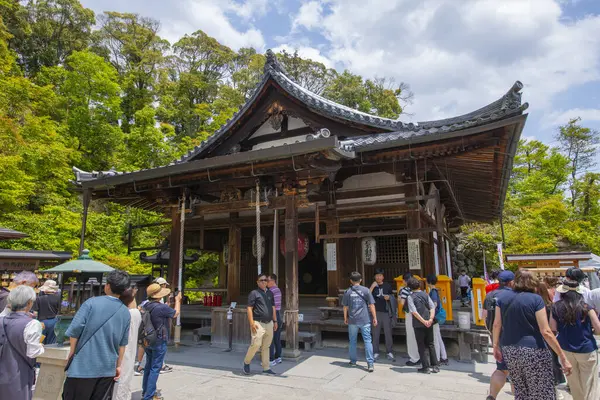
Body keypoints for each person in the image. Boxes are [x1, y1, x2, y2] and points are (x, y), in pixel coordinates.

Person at [492, 270, 572, 400]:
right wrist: (562, 356)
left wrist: (496, 345)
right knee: (542, 391)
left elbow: (496, 324)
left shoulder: (502, 299)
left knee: (521, 390)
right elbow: (545, 331)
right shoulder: (536, 299)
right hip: (534, 350)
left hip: (509, 349)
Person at [62, 270, 132, 400]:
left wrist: (72, 351)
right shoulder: (125, 312)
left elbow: (75, 329)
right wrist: (118, 365)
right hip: (107, 367)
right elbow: (122, 344)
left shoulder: (91, 303)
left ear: (108, 286)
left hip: (83, 366)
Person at [550, 281, 600, 400]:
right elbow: (598, 328)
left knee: (574, 384)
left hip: (566, 349)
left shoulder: (555, 307)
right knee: (589, 384)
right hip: (586, 348)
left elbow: (552, 328)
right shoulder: (586, 306)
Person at [0, 285, 44, 400]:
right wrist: (41, 347)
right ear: (29, 303)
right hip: (19, 375)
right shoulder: (32, 324)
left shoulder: (1, 320)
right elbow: (33, 352)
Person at [142, 283, 182, 400]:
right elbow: (175, 314)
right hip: (159, 339)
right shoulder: (161, 307)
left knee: (148, 367)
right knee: (155, 368)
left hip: (148, 338)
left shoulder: (146, 305)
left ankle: (146, 392)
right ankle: (149, 396)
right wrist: (178, 300)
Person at [483, 270, 515, 400]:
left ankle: (492, 396)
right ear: (511, 282)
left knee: (501, 368)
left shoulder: (489, 295)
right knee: (516, 369)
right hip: (513, 335)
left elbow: (484, 316)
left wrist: (491, 333)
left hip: (495, 334)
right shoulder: (515, 295)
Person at [243, 273, 277, 375]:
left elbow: (273, 308)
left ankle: (266, 367)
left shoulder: (270, 293)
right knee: (256, 344)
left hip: (269, 322)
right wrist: (251, 323)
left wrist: (275, 321)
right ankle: (246, 362)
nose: (263, 282)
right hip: (258, 322)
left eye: (265, 280)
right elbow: (249, 308)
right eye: (261, 280)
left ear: (267, 282)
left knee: (266, 346)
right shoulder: (254, 293)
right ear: (257, 282)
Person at [342, 271, 377, 372]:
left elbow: (345, 307)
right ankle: (370, 364)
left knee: (352, 341)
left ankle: (353, 361)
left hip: (352, 320)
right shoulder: (366, 290)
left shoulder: (348, 292)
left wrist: (345, 317)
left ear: (351, 281)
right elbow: (371, 305)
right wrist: (374, 317)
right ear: (360, 280)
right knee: (367, 341)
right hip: (365, 319)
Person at [113, 286, 142, 400]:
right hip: (127, 350)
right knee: (124, 379)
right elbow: (134, 307)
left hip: (116, 349)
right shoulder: (135, 313)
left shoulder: (117, 312)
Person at [406, 277, 438, 374]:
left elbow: (414, 312)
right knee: (431, 344)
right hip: (429, 322)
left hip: (418, 324)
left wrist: (423, 321)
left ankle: (426, 367)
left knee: (421, 345)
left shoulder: (410, 297)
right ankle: (435, 366)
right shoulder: (425, 294)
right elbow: (432, 307)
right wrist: (430, 319)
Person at [369, 268, 396, 362]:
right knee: (375, 333)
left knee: (388, 333)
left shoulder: (387, 286)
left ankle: (389, 351)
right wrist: (372, 287)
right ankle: (375, 351)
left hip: (386, 312)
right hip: (375, 313)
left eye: (380, 275)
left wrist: (389, 297)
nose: (378, 277)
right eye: (377, 275)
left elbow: (393, 297)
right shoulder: (373, 286)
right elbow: (367, 297)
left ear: (383, 277)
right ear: (374, 277)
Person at [399, 272, 420, 366]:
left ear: (404, 281)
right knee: (418, 336)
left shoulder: (404, 290)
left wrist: (399, 297)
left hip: (410, 314)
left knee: (411, 336)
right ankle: (420, 355)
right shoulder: (417, 289)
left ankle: (414, 358)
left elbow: (402, 303)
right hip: (419, 314)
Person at [426, 275, 448, 365]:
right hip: (437, 317)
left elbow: (434, 304)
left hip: (434, 317)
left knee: (435, 338)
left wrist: (431, 313)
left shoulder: (433, 292)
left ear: (429, 282)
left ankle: (437, 359)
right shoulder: (434, 291)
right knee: (438, 338)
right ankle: (444, 357)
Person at [33, 279, 61, 345]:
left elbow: (35, 312)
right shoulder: (59, 298)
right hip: (54, 321)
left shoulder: (39, 299)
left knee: (40, 342)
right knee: (51, 343)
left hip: (42, 322)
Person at [267, 273, 283, 366]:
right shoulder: (277, 290)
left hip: (273, 315)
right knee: (277, 338)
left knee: (271, 338)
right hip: (278, 314)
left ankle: (271, 359)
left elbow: (270, 306)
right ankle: (278, 357)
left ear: (273, 281)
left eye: (268, 281)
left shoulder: (271, 291)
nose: (267, 282)